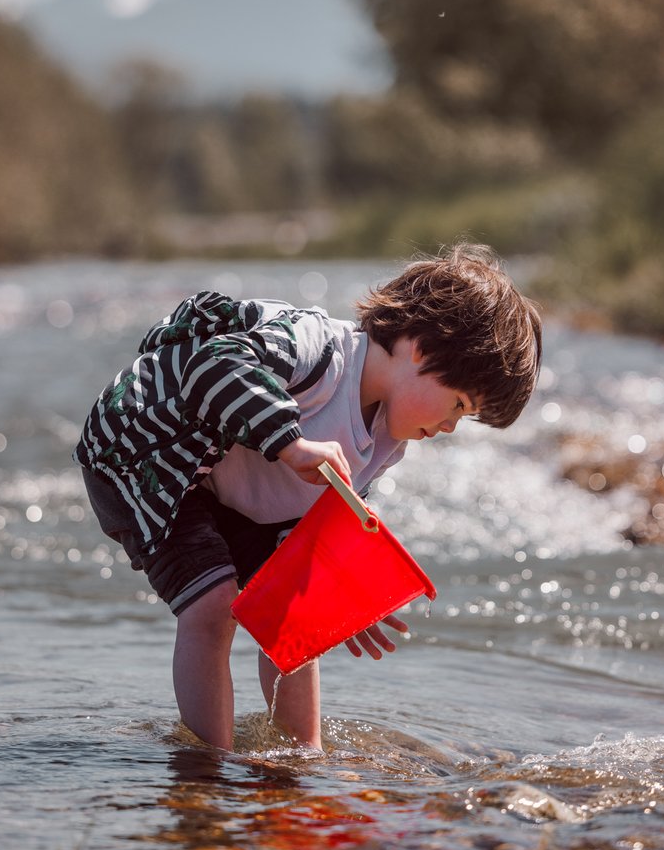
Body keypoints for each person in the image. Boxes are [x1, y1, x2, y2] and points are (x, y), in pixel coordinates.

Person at [74, 244, 542, 751]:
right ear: (422, 349)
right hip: (149, 456)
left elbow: (319, 524)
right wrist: (290, 442)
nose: (450, 426)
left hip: (236, 486)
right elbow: (213, 363)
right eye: (458, 404)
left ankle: (302, 762)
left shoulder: (390, 442)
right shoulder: (317, 350)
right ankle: (209, 770)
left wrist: (345, 589)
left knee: (299, 621)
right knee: (213, 606)